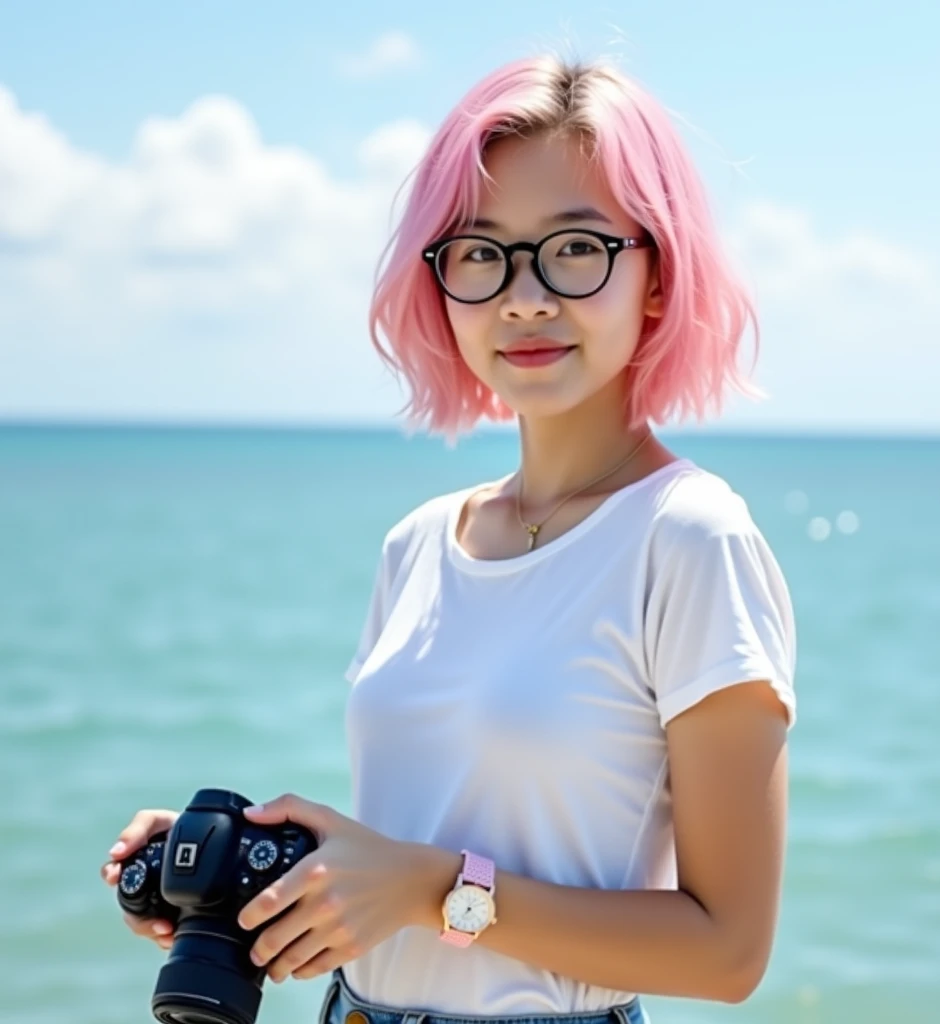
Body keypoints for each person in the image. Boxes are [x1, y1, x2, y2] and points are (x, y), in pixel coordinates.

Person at [101, 51, 797, 1024]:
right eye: (480, 252)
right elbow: (421, 843)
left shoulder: (689, 537)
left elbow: (727, 950)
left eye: (575, 247)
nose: (522, 297)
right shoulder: (419, 543)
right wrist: (239, 867)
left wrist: (432, 889)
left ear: (655, 275)